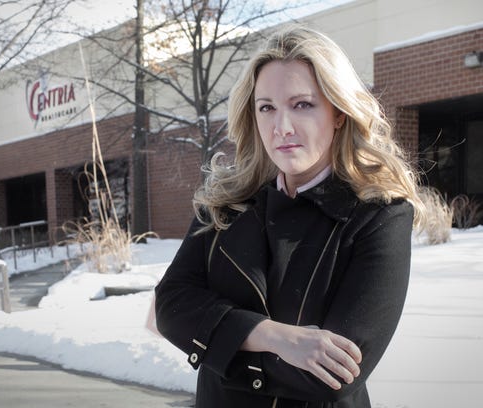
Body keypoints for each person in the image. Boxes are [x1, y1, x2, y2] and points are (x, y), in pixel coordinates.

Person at [154, 24, 425, 408]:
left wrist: (217, 344)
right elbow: (170, 307)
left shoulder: (379, 216)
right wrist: (275, 336)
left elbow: (334, 376)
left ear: (339, 113)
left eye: (302, 105)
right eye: (267, 108)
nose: (281, 128)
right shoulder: (224, 205)